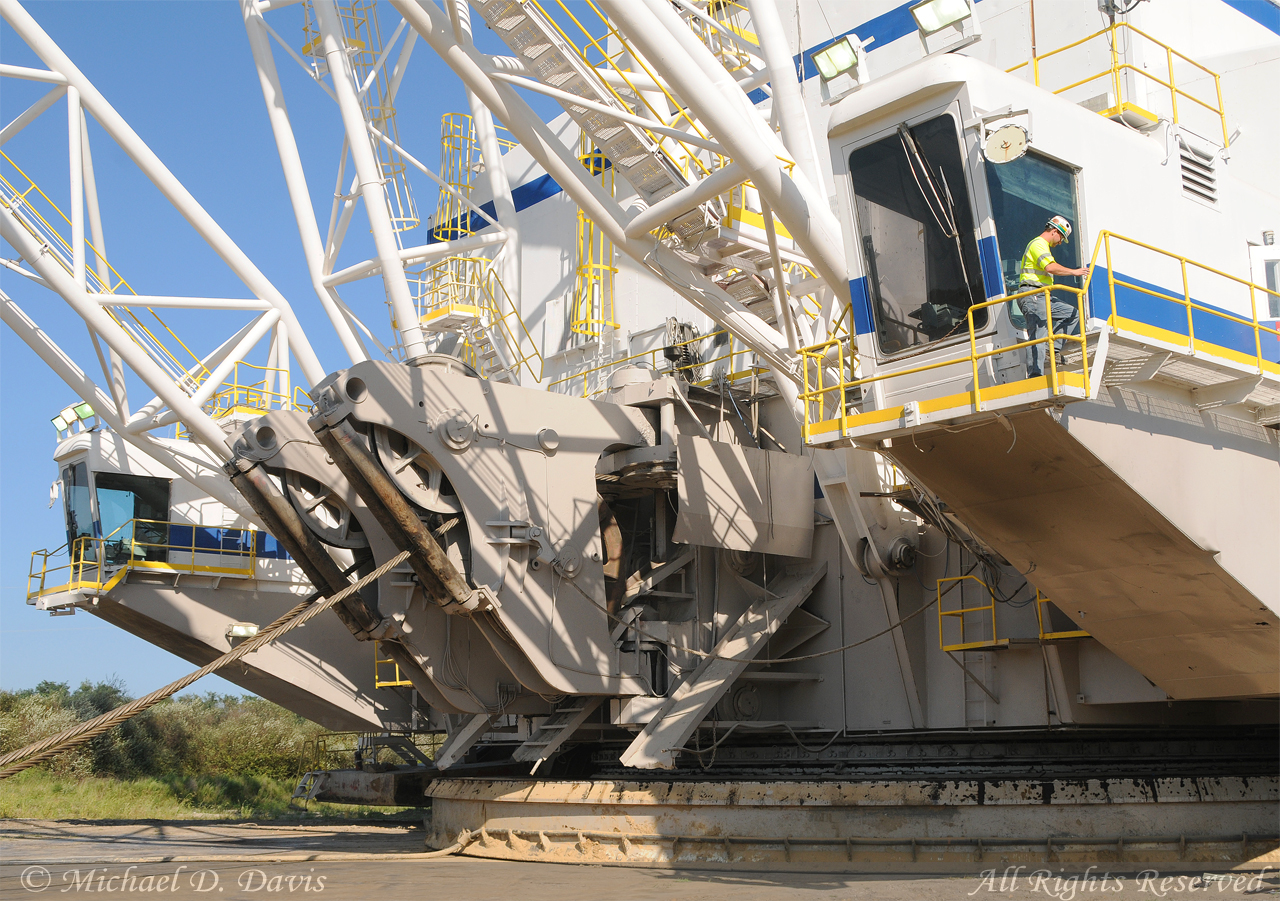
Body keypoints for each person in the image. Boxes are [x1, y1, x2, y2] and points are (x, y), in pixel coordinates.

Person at [1019, 215, 1089, 377]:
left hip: (1043, 295)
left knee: (1072, 314)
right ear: (1055, 231)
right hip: (1033, 293)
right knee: (1038, 334)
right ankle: (1035, 376)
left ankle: (1052, 349)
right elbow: (1050, 267)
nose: (1059, 243)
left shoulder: (1042, 246)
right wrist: (1074, 272)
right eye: (1061, 238)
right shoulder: (1038, 244)